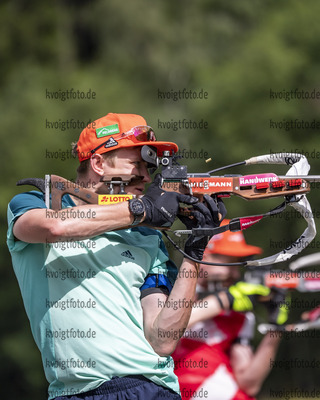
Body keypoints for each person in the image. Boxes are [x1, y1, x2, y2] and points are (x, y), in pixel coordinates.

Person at [7, 113, 226, 400]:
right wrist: (142, 209)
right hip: (82, 391)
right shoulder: (35, 203)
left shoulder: (148, 236)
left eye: (148, 168)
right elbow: (54, 226)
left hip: (156, 387)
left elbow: (162, 341)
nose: (147, 177)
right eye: (136, 164)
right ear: (98, 163)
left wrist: (195, 252)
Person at [172, 221, 288, 400]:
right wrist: (227, 299)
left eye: (237, 264)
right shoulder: (170, 286)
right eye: (228, 262)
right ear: (203, 256)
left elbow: (249, 384)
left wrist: (276, 328)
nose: (234, 273)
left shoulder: (239, 314)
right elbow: (167, 330)